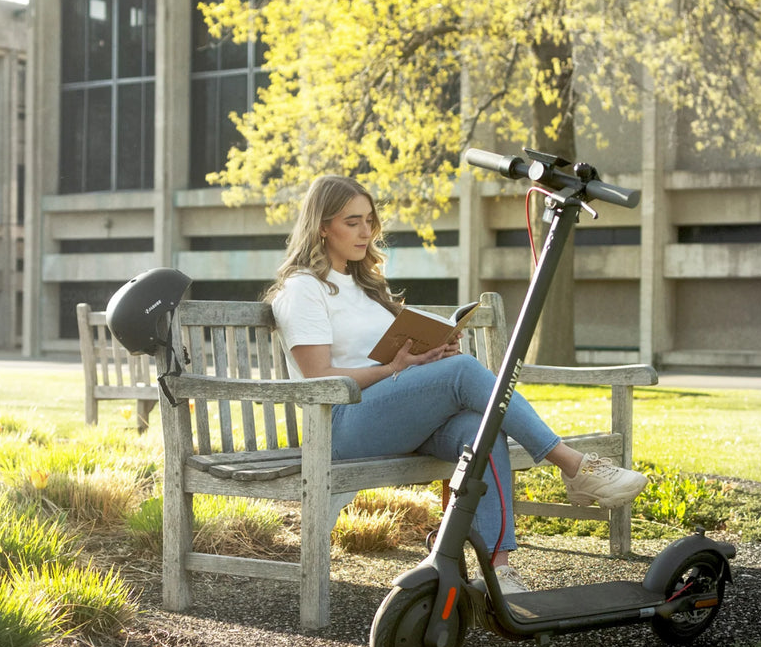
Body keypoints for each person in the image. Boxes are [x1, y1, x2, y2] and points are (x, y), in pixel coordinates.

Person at [268, 175, 648, 594]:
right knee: (464, 372)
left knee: (479, 430)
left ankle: (497, 571)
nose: (366, 232)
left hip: (395, 418)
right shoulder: (303, 289)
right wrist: (398, 368)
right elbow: (318, 377)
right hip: (340, 426)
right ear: (322, 226)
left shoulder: (365, 287)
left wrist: (432, 351)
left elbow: (395, 356)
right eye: (352, 221)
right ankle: (573, 465)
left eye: (370, 221)